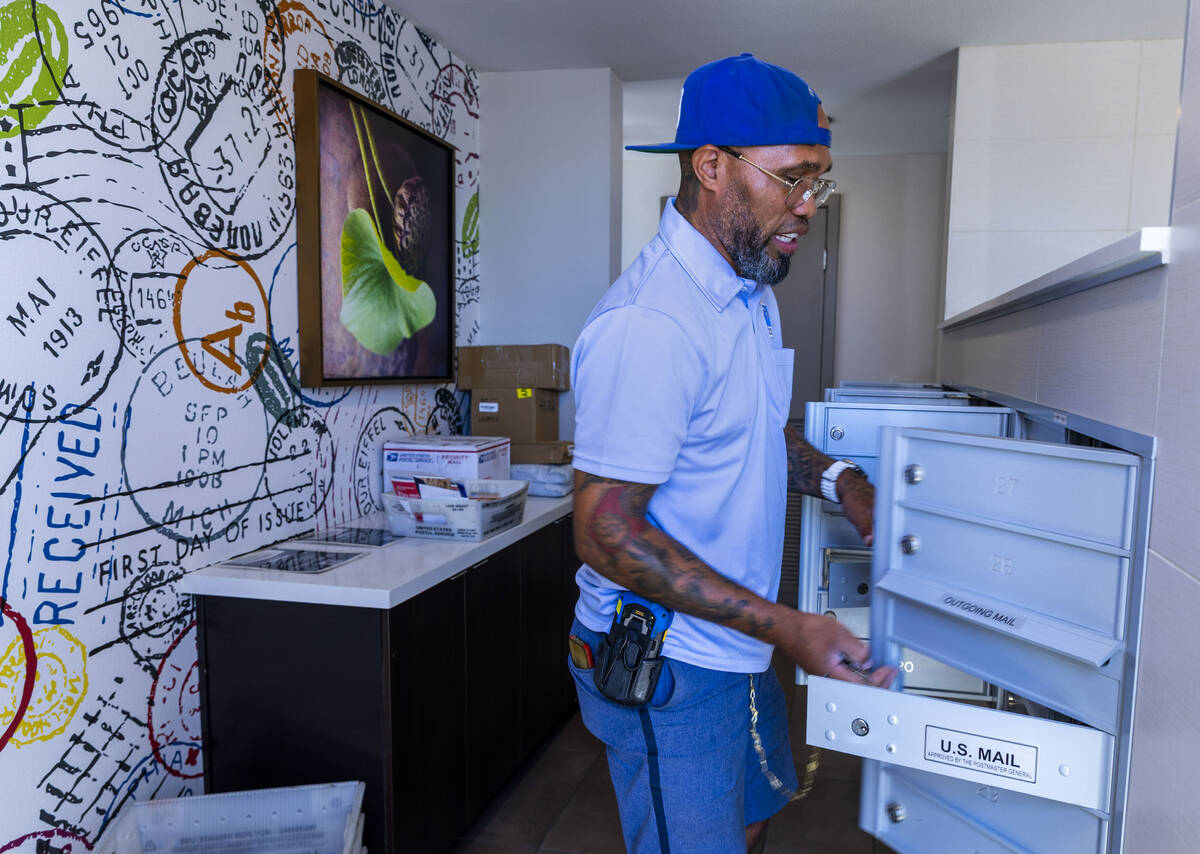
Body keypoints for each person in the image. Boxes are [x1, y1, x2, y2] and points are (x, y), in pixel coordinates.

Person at [567, 53, 896, 853]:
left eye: (818, 180)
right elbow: (605, 532)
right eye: (792, 178)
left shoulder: (749, 294)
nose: (808, 205)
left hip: (738, 645)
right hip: (669, 663)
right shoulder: (652, 324)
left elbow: (759, 429)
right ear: (711, 166)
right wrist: (789, 628)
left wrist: (843, 481)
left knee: (751, 814)